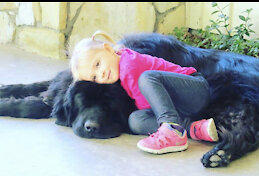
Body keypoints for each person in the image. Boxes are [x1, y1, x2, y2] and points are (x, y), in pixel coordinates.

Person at [70, 30, 219, 154]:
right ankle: (192, 128)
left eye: (98, 64)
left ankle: (170, 129)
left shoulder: (129, 64)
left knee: (146, 78)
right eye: (94, 77)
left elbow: (147, 103)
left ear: (108, 49)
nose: (101, 73)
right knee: (135, 120)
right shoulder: (119, 70)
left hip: (194, 89)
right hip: (179, 104)